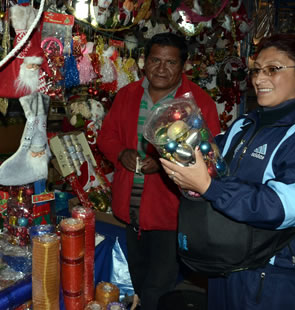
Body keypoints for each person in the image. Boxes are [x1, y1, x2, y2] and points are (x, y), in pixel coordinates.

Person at [160, 33, 295, 309]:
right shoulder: (244, 124)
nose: (259, 79)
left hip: (270, 271)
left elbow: (287, 205)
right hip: (226, 260)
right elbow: (213, 164)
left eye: (273, 69)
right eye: (256, 70)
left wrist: (210, 187)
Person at [98, 33, 220, 310]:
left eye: (170, 62)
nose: (161, 69)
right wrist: (121, 153)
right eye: (155, 60)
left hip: (172, 212)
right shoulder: (127, 95)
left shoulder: (198, 102)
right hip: (131, 207)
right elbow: (106, 137)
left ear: (183, 66)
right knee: (139, 278)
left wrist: (168, 163)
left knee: (158, 286)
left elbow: (210, 155)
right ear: (144, 62)